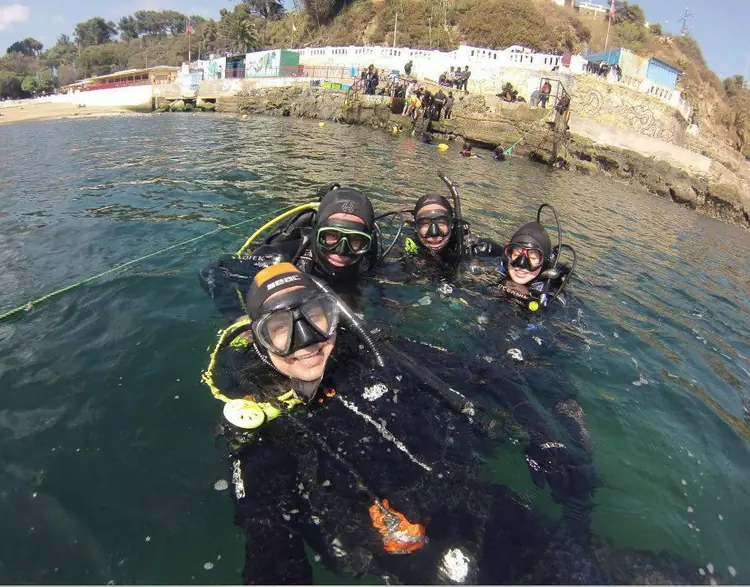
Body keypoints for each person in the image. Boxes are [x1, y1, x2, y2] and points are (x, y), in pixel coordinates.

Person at [212, 262, 604, 585]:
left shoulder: (375, 351)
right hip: (411, 555)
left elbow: (487, 377)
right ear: (259, 340)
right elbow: (268, 535)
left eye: (315, 317)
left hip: (480, 503)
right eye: (279, 329)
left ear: (333, 315)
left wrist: (546, 440)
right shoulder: (256, 415)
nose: (306, 341)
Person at [198, 187, 378, 323]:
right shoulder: (282, 257)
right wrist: (238, 318)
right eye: (331, 236)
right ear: (316, 232)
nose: (341, 250)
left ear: (368, 243)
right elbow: (213, 271)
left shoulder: (370, 264)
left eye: (356, 240)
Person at [493, 206, 576, 311]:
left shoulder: (553, 297)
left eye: (532, 258)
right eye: (516, 254)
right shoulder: (495, 271)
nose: (521, 264)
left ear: (544, 263)